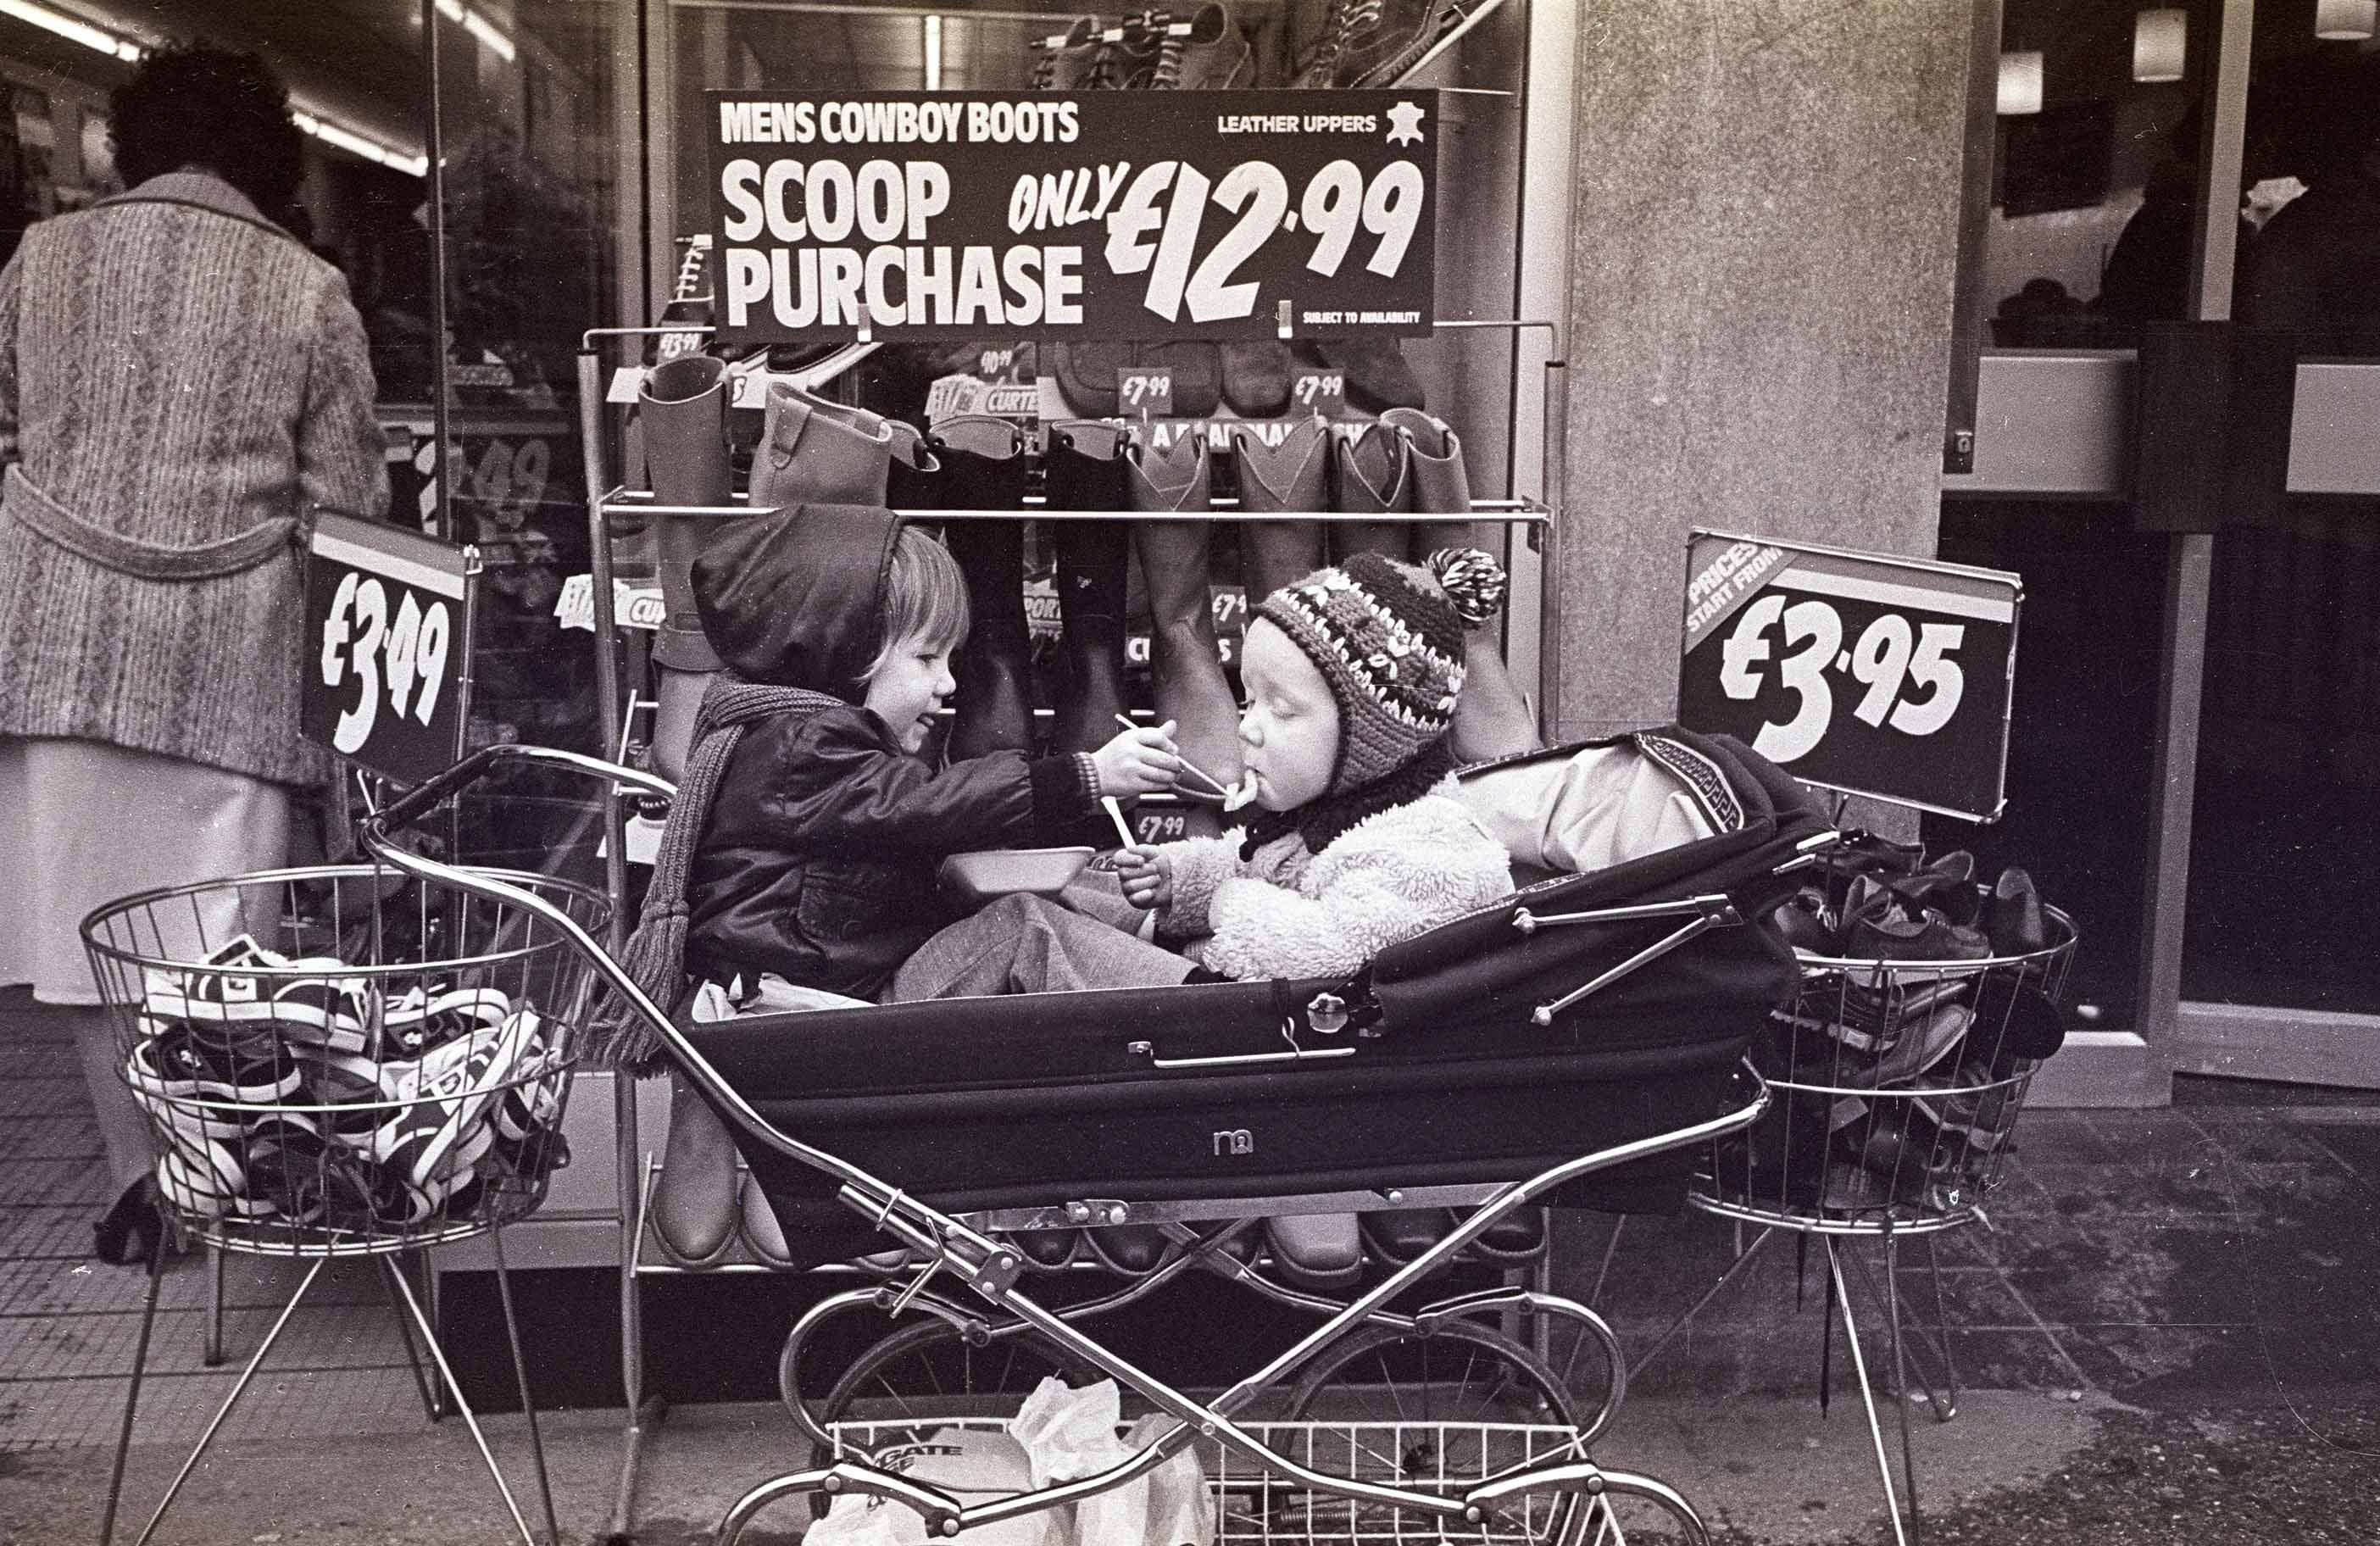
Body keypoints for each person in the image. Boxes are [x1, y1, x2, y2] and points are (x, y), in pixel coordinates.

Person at [0, 45, 387, 1266]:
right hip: (230, 660)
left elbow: (13, 430)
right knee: (223, 952)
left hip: (59, 647)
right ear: (268, 153)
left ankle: (140, 1186)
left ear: (130, 139)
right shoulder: (307, 290)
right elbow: (347, 511)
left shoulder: (39, 260)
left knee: (84, 938)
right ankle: (229, 1181)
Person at [603, 503, 1182, 1267]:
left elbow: (906, 832)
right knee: (1022, 926)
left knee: (1039, 893)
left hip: (802, 978)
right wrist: (1082, 775)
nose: (948, 685)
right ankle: (1191, 1010)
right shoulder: (812, 744)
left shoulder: (775, 727)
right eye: (927, 659)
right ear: (845, 653)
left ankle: (1151, 954)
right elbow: (920, 808)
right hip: (824, 1008)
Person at [891, 548, 1516, 998]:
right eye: (1249, 699)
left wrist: (1221, 902)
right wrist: (1177, 879)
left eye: (1283, 709)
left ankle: (901, 1025)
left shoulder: (1431, 846)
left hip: (1243, 1022)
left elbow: (1334, 954)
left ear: (1376, 740)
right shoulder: (1332, 813)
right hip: (1235, 989)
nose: (1247, 726)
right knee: (1086, 889)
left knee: (1034, 931)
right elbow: (1249, 865)